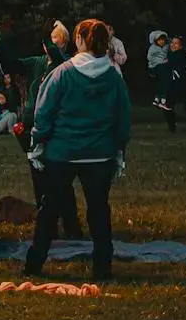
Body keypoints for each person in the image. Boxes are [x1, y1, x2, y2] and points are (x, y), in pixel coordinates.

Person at [24, 18, 132, 282]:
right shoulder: (113, 76)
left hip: (63, 153)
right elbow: (124, 116)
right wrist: (119, 147)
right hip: (100, 154)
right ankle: (102, 267)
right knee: (98, 209)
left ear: (80, 40)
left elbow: (44, 111)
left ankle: (34, 264)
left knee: (50, 210)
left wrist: (38, 141)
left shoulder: (62, 73)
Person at [146, 31, 171, 110]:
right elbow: (149, 58)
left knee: (163, 81)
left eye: (163, 40)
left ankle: (158, 99)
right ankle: (163, 100)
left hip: (162, 66)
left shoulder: (166, 46)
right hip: (154, 67)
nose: (161, 41)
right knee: (164, 79)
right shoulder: (153, 48)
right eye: (159, 40)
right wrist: (160, 62)